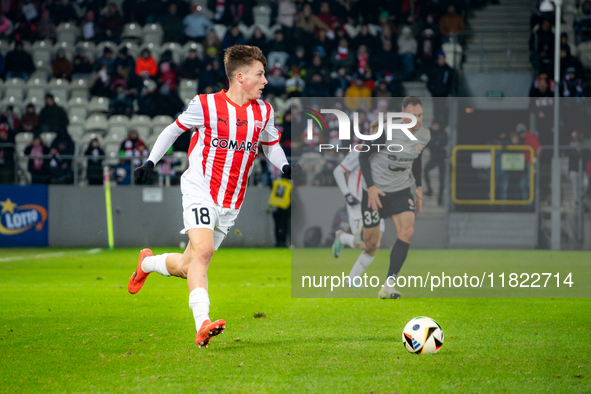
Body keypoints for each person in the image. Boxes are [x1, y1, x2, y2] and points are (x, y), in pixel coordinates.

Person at [128, 45, 301, 348]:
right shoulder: (205, 104)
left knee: (188, 265)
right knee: (204, 253)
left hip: (231, 202)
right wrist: (150, 162)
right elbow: (173, 130)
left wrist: (285, 165)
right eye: (259, 74)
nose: (265, 81)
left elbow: (270, 144)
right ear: (240, 76)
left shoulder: (264, 111)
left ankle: (147, 264)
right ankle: (202, 324)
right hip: (200, 189)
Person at [358, 96, 430, 299]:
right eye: (411, 116)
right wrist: (371, 187)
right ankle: (353, 235)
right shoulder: (387, 131)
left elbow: (416, 158)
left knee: (407, 230)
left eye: (419, 115)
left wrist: (419, 187)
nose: (416, 121)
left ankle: (389, 285)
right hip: (375, 191)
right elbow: (363, 155)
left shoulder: (424, 135)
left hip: (401, 189)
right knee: (371, 244)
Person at [331, 135, 385, 285]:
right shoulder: (360, 150)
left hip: (376, 204)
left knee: (375, 244)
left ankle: (352, 280)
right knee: (366, 244)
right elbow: (338, 171)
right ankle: (342, 237)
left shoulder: (386, 153)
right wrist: (347, 194)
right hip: (358, 205)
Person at [423, 121, 448, 205]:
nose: (435, 126)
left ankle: (440, 198)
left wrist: (435, 144)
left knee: (442, 180)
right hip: (433, 158)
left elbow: (444, 143)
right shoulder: (429, 134)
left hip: (442, 159)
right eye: (434, 125)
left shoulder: (443, 133)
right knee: (425, 170)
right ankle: (429, 190)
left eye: (437, 125)